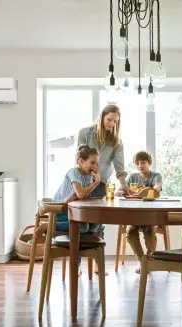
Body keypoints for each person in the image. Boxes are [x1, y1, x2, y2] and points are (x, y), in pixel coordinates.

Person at [35, 145, 106, 275]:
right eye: (92, 163)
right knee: (82, 228)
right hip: (60, 212)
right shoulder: (73, 172)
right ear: (81, 161)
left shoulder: (88, 176)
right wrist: (96, 183)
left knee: (97, 225)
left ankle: (94, 263)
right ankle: (48, 226)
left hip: (72, 211)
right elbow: (80, 194)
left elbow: (81, 196)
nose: (95, 167)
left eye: (96, 163)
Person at [119, 151, 163, 274]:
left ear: (149, 163)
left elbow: (157, 188)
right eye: (137, 163)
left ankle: (149, 261)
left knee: (149, 233)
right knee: (130, 234)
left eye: (143, 162)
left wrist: (142, 191)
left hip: (151, 216)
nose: (140, 166)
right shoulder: (132, 177)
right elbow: (120, 191)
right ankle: (144, 263)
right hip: (135, 216)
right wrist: (124, 191)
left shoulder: (156, 176)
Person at [77, 104, 130, 196]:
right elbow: (79, 160)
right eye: (109, 119)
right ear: (102, 117)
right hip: (83, 182)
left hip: (102, 185)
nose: (111, 124)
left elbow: (119, 167)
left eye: (115, 121)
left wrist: (124, 185)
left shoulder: (117, 142)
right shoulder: (84, 133)